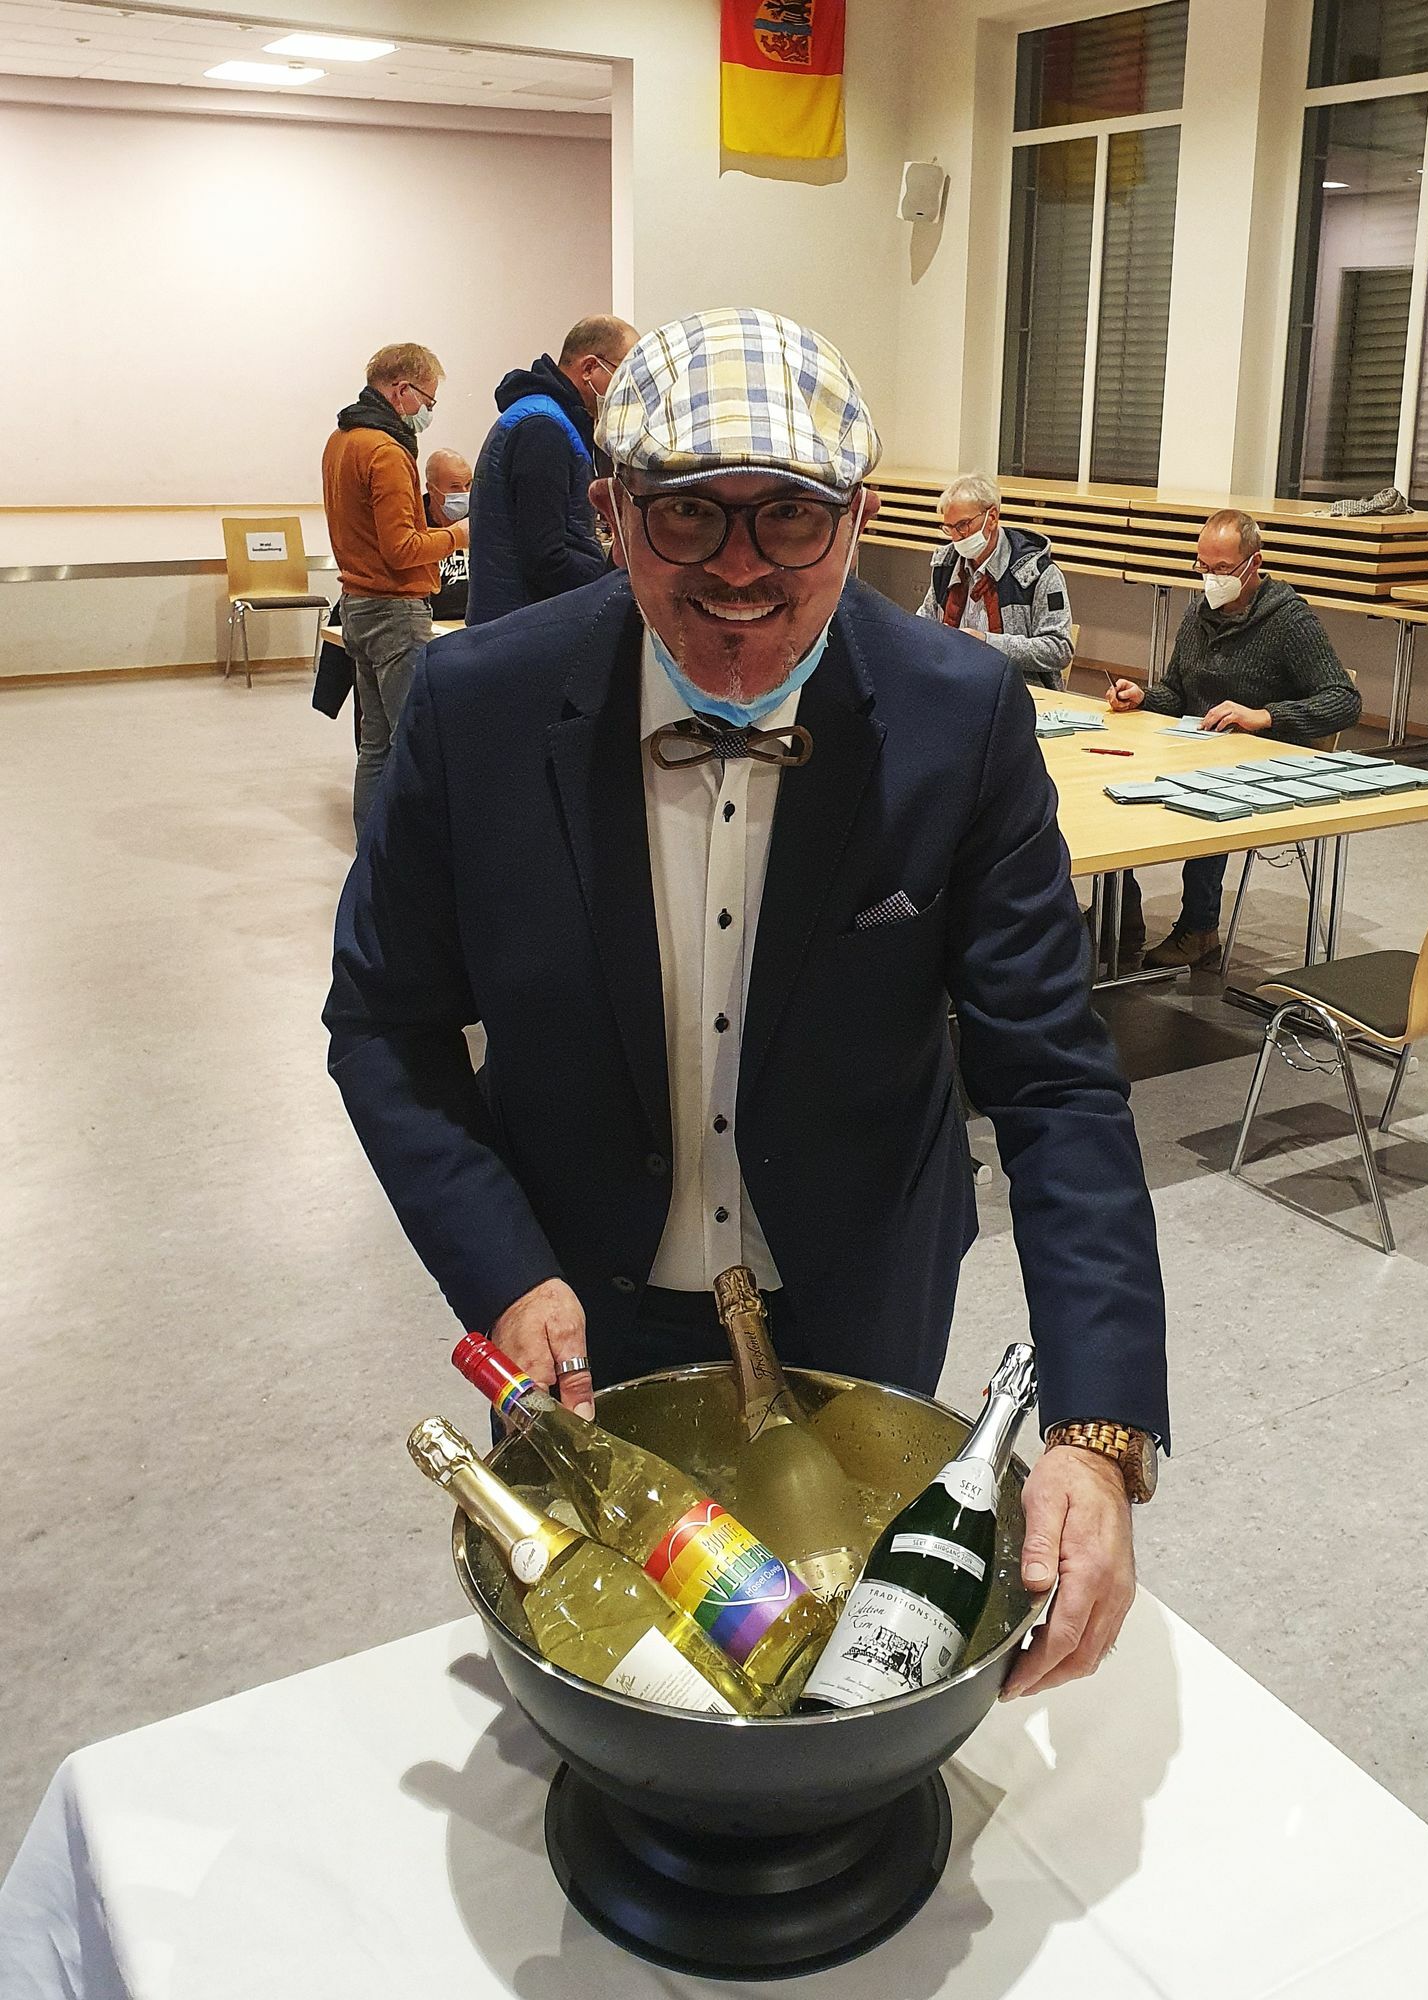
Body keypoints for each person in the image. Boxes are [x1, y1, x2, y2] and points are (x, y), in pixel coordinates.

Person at [325, 307, 1168, 1698]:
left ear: (862, 517)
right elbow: (382, 1022)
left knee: (849, 1644)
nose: (737, 566)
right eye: (685, 513)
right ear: (609, 511)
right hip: (576, 1301)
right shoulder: (478, 705)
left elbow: (1054, 1079)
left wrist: (1098, 1422)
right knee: (627, 1654)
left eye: (789, 516)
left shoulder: (960, 717)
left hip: (861, 1288)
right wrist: (502, 1265)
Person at [1107, 508, 1362, 971]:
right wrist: (1144, 697)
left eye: (1222, 568)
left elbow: (1344, 700)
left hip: (1261, 760)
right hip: (1198, 745)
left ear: (1254, 563)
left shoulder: (1290, 621)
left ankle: (1199, 928)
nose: (1211, 578)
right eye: (1203, 566)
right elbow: (1178, 693)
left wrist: (1265, 716)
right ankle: (1119, 915)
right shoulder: (1198, 613)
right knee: (1112, 785)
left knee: (1207, 794)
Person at [322, 343, 468, 836]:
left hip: (357, 605)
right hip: (394, 612)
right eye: (428, 399)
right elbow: (403, 548)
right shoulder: (387, 451)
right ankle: (411, 856)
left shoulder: (341, 440)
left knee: (376, 744)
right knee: (416, 740)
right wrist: (459, 536)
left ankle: (373, 849)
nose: (428, 410)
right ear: (402, 390)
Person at [466, 314, 639, 625]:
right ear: (589, 368)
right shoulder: (544, 428)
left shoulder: (540, 416)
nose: (626, 390)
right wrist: (606, 580)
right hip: (523, 625)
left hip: (514, 619)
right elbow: (545, 557)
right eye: (623, 376)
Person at [917, 472, 1074, 689]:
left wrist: (986, 642)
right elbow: (923, 625)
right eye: (949, 528)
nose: (956, 537)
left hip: (1017, 691)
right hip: (955, 684)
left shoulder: (1038, 573)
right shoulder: (946, 565)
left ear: (991, 518)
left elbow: (1059, 649)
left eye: (963, 525)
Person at [423, 448, 473, 622]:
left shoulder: (483, 519)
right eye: (455, 487)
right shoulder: (414, 525)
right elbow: (421, 599)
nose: (464, 493)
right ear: (432, 489)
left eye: (468, 485)